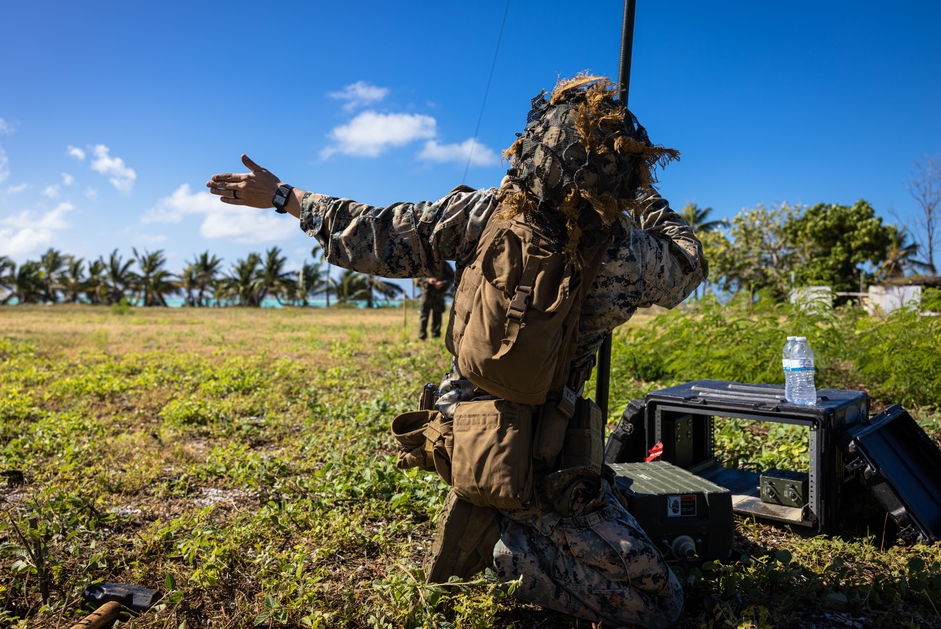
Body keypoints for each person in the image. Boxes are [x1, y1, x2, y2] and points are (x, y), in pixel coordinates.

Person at [206, 74, 707, 628]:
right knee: (660, 601)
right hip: (546, 449)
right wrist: (644, 198)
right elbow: (688, 263)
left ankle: (496, 511)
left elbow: (374, 232)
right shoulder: (629, 254)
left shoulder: (484, 214)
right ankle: (507, 550)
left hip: (457, 427)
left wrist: (283, 196)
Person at [416, 262, 454, 340]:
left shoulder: (445, 265)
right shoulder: (424, 262)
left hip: (439, 294)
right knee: (424, 315)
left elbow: (452, 277)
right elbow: (417, 279)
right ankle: (422, 336)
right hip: (427, 294)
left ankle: (435, 336)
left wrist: (443, 283)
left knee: (438, 315)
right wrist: (428, 280)